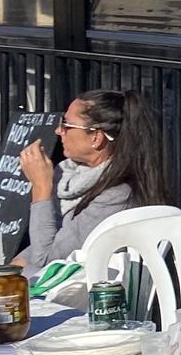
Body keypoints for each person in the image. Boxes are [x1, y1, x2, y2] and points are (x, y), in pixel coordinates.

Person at [13, 90, 168, 268]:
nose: (58, 131)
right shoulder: (70, 176)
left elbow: (46, 261)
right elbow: (51, 240)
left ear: (96, 137)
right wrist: (16, 265)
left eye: (67, 125)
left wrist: (41, 187)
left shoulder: (116, 196)